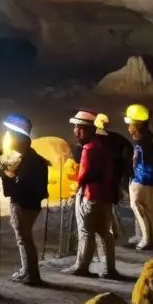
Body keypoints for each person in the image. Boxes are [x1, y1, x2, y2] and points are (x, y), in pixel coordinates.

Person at [64, 110, 120, 278]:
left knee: (87, 232)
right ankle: (108, 269)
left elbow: (85, 173)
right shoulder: (103, 145)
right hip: (105, 194)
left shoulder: (89, 148)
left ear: (83, 129)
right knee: (104, 232)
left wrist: (76, 183)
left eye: (76, 127)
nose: (74, 131)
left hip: (92, 194)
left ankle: (81, 266)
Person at [0, 115, 49, 286]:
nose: (9, 138)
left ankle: (32, 274)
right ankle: (27, 270)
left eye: (11, 134)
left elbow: (20, 185)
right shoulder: (32, 157)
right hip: (31, 204)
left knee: (24, 238)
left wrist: (4, 175)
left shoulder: (28, 161)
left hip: (24, 204)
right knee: (24, 238)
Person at [124, 104, 153, 251]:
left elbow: (138, 163)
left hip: (140, 180)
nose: (129, 128)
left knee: (138, 207)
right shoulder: (148, 141)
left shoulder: (141, 144)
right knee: (147, 209)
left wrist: (135, 177)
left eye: (130, 124)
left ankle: (146, 240)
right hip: (147, 180)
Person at [95, 113, 132, 242]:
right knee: (109, 206)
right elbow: (128, 148)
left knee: (105, 206)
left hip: (105, 179)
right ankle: (114, 230)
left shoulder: (95, 140)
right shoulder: (115, 138)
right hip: (114, 177)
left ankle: (110, 232)